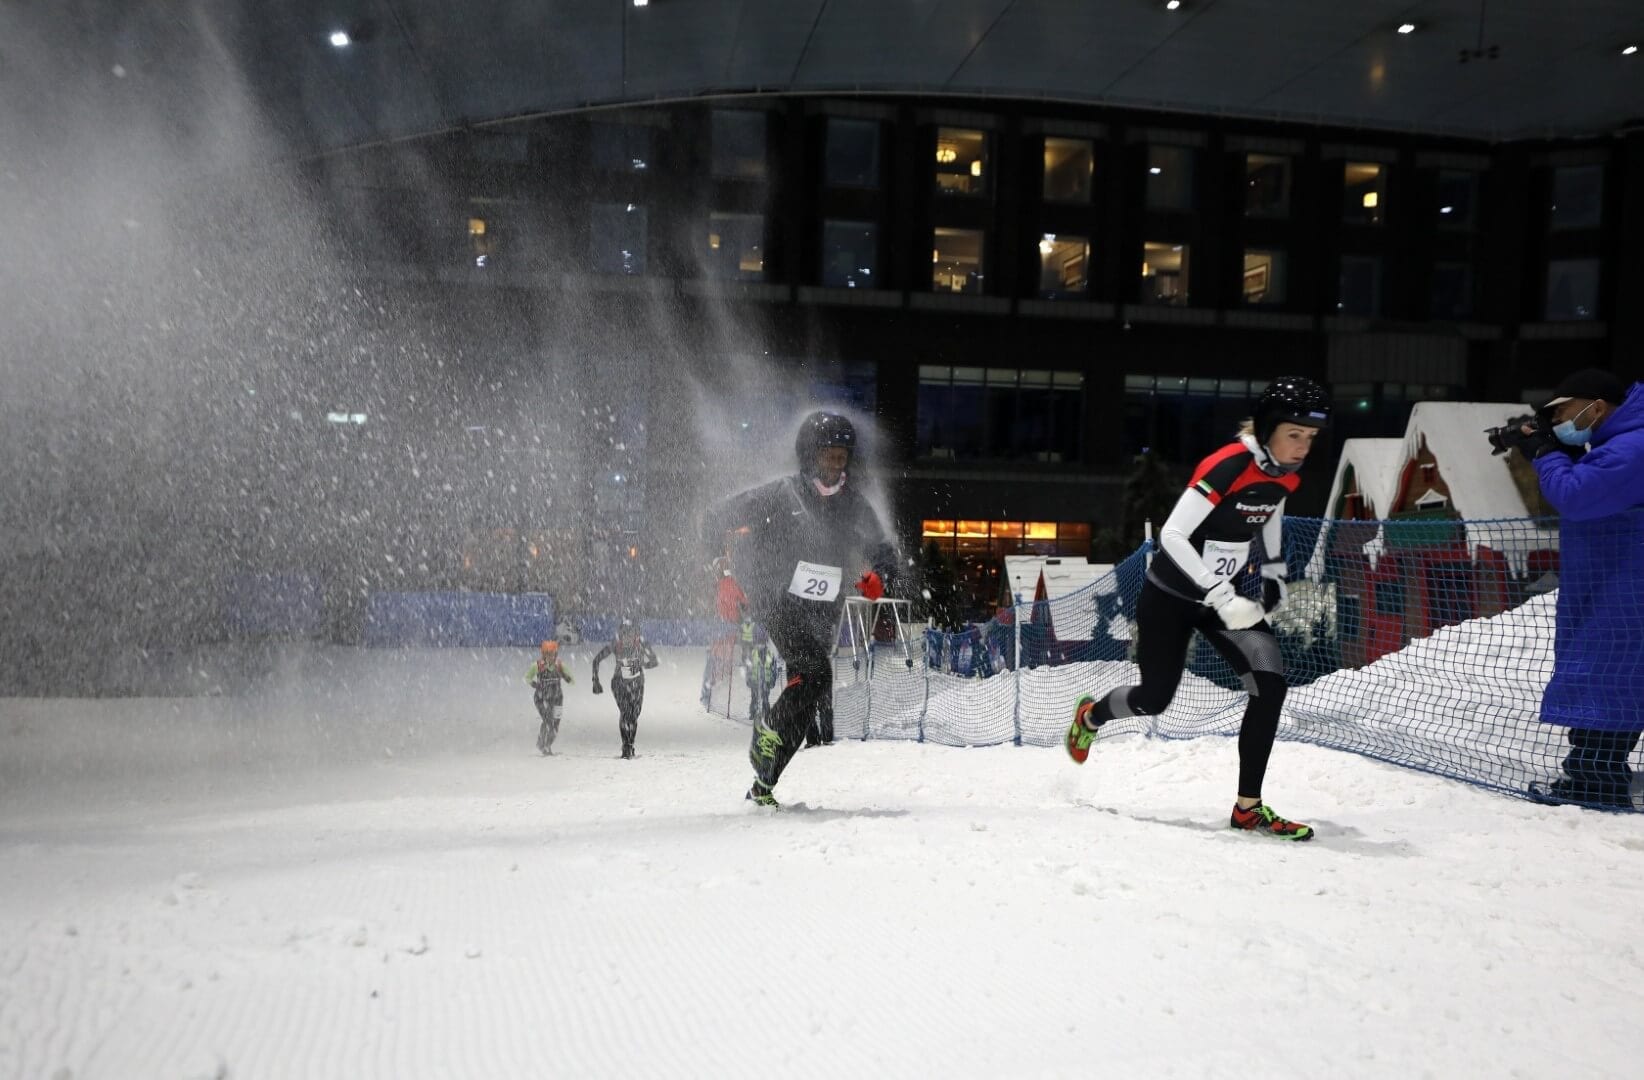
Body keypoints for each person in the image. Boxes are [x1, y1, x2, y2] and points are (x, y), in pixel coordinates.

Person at [1064, 376, 1332, 840]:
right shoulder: (1227, 465)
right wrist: (1223, 594)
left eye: (1310, 438)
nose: (1303, 447)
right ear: (1268, 429)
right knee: (1155, 698)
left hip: (1218, 603)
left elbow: (1269, 513)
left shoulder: (1284, 473)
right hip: (1170, 599)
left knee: (1269, 684)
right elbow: (1172, 536)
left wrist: (1272, 571)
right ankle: (1090, 716)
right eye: (1294, 434)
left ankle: (1248, 808)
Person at [702, 411, 898, 807]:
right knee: (815, 673)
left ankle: (764, 783)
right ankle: (765, 734)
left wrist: (881, 577)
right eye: (829, 456)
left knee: (811, 692)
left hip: (824, 609)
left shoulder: (855, 505)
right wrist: (723, 574)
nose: (836, 465)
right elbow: (713, 520)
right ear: (810, 456)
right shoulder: (780, 494)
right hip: (776, 596)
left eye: (842, 457)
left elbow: (883, 551)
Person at [1502, 369, 1644, 809]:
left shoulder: (1632, 447)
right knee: (1613, 678)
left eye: (1561, 412)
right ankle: (1600, 773)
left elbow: (1576, 496)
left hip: (1623, 593)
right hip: (1615, 586)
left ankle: (1594, 781)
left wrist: (1547, 452)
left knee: (1606, 679)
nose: (1558, 421)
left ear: (1596, 407)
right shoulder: (1618, 444)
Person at [592, 618, 659, 760]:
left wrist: (642, 666)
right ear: (620, 635)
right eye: (624, 634)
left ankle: (630, 743)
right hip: (619, 684)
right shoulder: (616, 645)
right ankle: (626, 746)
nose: (627, 637)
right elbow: (596, 660)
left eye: (630, 634)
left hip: (637, 684)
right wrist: (595, 681)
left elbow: (654, 661)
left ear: (636, 634)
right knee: (626, 713)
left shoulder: (642, 644)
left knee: (634, 715)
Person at [525, 640, 574, 756]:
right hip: (541, 699)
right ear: (543, 654)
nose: (550, 657)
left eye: (552, 654)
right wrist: (535, 685)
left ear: (556, 654)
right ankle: (545, 746)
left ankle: (543, 743)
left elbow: (572, 680)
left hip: (557, 700)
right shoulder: (537, 666)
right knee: (548, 721)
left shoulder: (560, 666)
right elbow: (527, 677)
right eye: (547, 654)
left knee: (555, 725)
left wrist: (565, 676)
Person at [744, 623, 780, 726]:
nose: (759, 644)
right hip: (755, 680)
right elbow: (749, 668)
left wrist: (772, 680)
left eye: (761, 642)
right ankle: (753, 713)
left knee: (765, 698)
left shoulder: (769, 654)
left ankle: (766, 714)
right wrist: (748, 679)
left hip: (766, 681)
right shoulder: (753, 653)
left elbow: (773, 669)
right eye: (758, 642)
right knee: (754, 697)